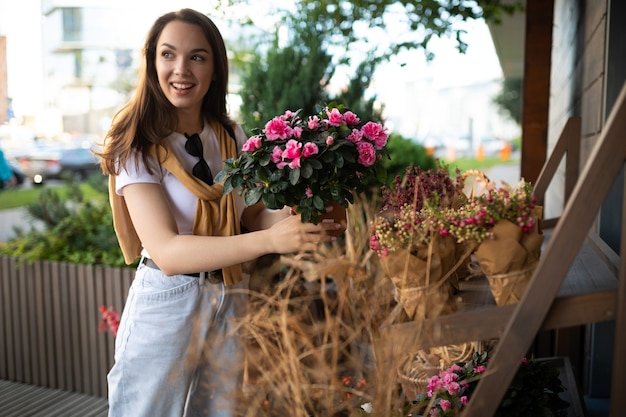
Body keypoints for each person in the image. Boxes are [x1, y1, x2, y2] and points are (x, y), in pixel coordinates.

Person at [98, 8, 339, 417]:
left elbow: (253, 216)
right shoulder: (136, 143)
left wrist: (307, 216)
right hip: (167, 300)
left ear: (214, 68)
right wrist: (267, 241)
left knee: (221, 410)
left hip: (228, 295)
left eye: (197, 57)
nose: (181, 69)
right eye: (168, 54)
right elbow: (169, 252)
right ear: (152, 62)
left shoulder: (228, 134)